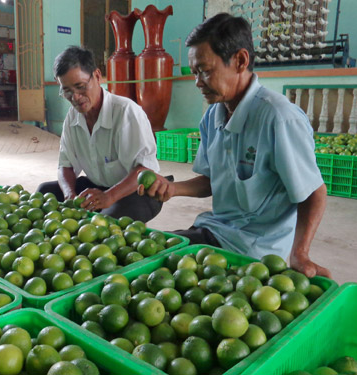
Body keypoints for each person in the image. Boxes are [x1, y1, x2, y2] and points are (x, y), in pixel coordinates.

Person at [139, 13, 331, 278]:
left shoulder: (278, 118)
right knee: (143, 253)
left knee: (154, 267)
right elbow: (211, 180)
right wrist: (172, 188)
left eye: (205, 71)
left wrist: (299, 253)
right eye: (195, 73)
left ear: (240, 61)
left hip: (253, 251)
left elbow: (313, 192)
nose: (197, 83)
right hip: (215, 231)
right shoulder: (213, 115)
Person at [37, 46, 163, 223]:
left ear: (97, 76)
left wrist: (109, 197)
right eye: (67, 91)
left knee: (104, 223)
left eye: (80, 87)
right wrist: (70, 195)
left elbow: (145, 169)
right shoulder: (72, 118)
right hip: (99, 186)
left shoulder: (126, 112)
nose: (75, 97)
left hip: (138, 191)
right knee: (45, 192)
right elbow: (65, 166)